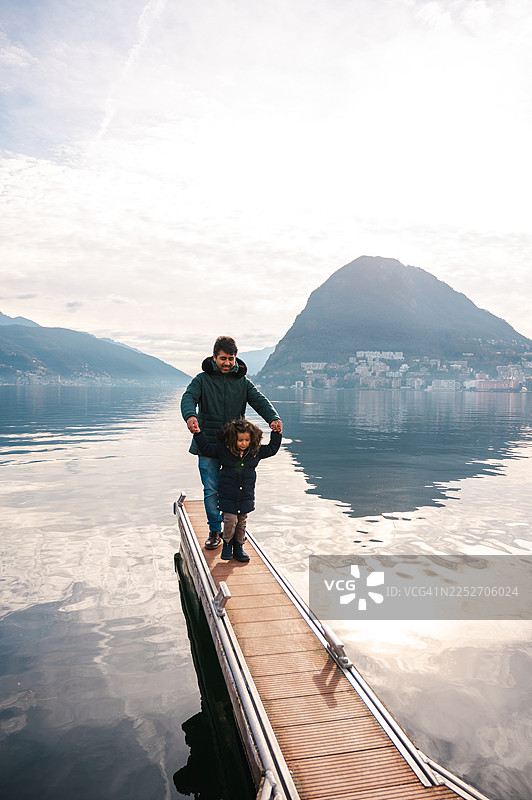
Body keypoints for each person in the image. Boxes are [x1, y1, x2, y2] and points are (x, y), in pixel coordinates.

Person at [181, 336, 282, 549]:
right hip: (207, 441)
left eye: (231, 358)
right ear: (214, 357)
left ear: (236, 358)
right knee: (211, 488)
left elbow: (259, 401)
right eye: (223, 358)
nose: (227, 363)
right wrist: (190, 416)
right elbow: (188, 397)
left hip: (236, 447)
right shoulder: (202, 380)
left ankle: (235, 531)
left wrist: (273, 418)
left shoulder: (243, 382)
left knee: (234, 487)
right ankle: (215, 531)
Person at [193, 418, 282, 562]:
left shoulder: (255, 451)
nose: (244, 443)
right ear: (233, 439)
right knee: (230, 520)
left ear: (251, 439)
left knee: (241, 522)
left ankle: (239, 546)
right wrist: (198, 433)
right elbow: (207, 449)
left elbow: (272, 449)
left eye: (247, 440)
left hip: (245, 495)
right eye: (240, 440)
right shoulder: (223, 450)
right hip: (227, 494)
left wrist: (276, 433)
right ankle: (227, 544)